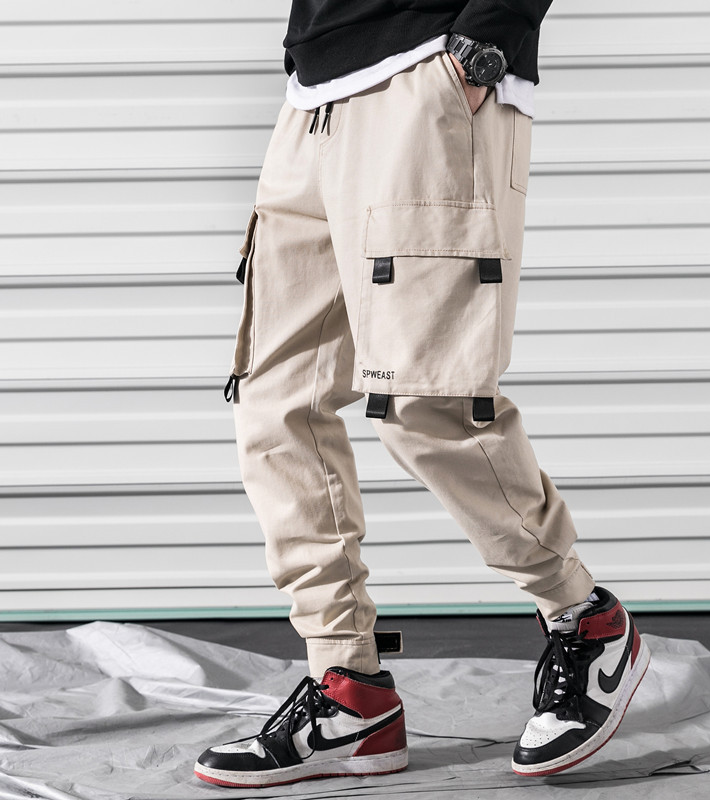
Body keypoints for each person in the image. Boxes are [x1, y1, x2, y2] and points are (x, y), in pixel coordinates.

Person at [194, 0, 650, 788]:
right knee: (275, 404)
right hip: (314, 93)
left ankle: (586, 618)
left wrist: (485, 42)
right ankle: (350, 689)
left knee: (426, 398)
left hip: (427, 68)